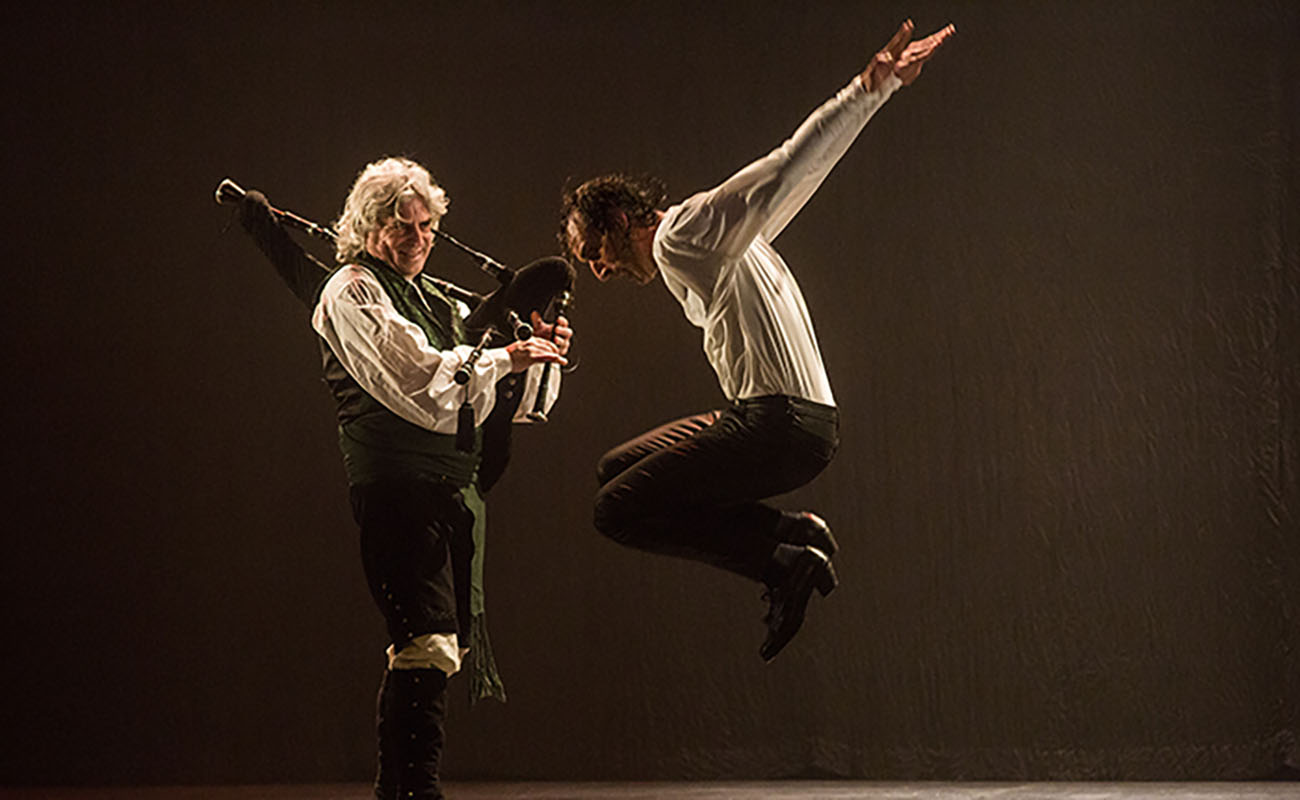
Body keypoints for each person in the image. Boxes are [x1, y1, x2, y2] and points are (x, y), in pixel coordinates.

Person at [561, 20, 953, 663]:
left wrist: (865, 88)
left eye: (596, 252)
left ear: (622, 220)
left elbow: (784, 165)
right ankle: (793, 535)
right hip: (790, 422)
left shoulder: (681, 235)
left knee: (615, 510)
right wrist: (876, 97)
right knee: (615, 472)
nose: (599, 270)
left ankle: (780, 561)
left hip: (780, 427)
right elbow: (803, 180)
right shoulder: (724, 244)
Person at [236, 157, 572, 800]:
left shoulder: (442, 300)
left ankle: (401, 790)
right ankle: (415, 789)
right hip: (394, 483)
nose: (417, 238)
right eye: (401, 226)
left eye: (425, 226)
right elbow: (416, 379)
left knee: (440, 646)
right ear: (367, 228)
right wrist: (506, 354)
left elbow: (513, 402)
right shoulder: (352, 290)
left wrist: (536, 352)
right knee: (426, 641)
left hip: (453, 485)